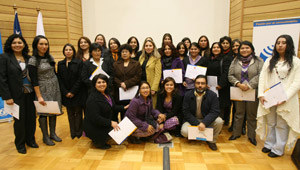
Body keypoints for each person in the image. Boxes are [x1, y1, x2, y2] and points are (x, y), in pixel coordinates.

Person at [257, 35, 300, 157]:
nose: (280, 45)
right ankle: (269, 144)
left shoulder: (296, 62)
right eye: (278, 43)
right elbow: (262, 78)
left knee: (282, 124)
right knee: (270, 122)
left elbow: (297, 82)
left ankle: (278, 148)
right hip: (269, 96)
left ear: (289, 45)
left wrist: (284, 97)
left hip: (286, 99)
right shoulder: (269, 60)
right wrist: (261, 94)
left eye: (283, 43)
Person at [0, 34, 37, 154]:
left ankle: (30, 140)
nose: (17, 45)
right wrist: (7, 96)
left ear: (24, 44)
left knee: (31, 118)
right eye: (14, 43)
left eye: (19, 43)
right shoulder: (5, 58)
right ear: (10, 45)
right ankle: (20, 144)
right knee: (20, 120)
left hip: (30, 93)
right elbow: (2, 78)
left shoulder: (29, 58)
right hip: (15, 95)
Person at [28, 35, 62, 146]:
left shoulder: (50, 57)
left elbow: (54, 72)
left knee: (53, 110)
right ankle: (45, 136)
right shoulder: (33, 60)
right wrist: (39, 96)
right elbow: (33, 80)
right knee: (43, 112)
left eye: (46, 44)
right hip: (42, 88)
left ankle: (53, 133)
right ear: (36, 45)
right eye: (41, 44)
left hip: (54, 87)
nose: (44, 46)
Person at [228, 41, 263, 146]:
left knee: (251, 115)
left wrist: (249, 85)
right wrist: (238, 84)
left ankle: (251, 136)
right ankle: (236, 133)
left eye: (247, 48)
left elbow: (261, 75)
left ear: (251, 49)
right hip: (238, 90)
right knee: (238, 113)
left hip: (252, 90)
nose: (244, 50)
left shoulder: (258, 60)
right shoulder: (235, 61)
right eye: (242, 48)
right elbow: (230, 75)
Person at [83, 74, 127, 149]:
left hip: (101, 123)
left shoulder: (107, 94)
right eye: (99, 82)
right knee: (115, 128)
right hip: (94, 126)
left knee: (118, 127)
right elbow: (95, 118)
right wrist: (110, 123)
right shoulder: (92, 99)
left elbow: (112, 106)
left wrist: (124, 107)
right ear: (94, 84)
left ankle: (101, 139)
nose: (102, 84)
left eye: (103, 82)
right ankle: (98, 141)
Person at [181, 75, 224, 151]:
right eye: (198, 83)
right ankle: (196, 135)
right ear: (194, 84)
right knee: (184, 132)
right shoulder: (188, 95)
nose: (200, 85)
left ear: (206, 85)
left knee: (219, 121)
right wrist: (197, 124)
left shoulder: (213, 95)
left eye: (202, 83)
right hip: (192, 120)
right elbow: (186, 112)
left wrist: (204, 123)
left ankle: (211, 141)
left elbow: (215, 111)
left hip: (206, 120)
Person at [57, 44, 85, 139]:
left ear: (73, 51)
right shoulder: (60, 64)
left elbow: (80, 78)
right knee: (70, 113)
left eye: (70, 50)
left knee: (78, 112)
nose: (68, 51)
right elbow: (59, 79)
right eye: (66, 50)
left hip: (77, 92)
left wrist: (73, 91)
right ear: (64, 52)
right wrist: (65, 92)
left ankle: (79, 131)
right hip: (66, 93)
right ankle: (73, 132)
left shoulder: (79, 62)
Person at [113, 44, 142, 120]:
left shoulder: (136, 64)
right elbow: (113, 77)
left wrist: (127, 84)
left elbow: (138, 77)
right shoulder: (116, 64)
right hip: (119, 93)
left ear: (130, 53)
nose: (124, 54)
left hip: (131, 93)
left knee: (129, 114)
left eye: (126, 52)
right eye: (123, 52)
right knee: (118, 112)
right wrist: (121, 84)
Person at [206, 42, 232, 124]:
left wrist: (221, 84)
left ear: (221, 49)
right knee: (211, 104)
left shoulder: (225, 58)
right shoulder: (209, 59)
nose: (216, 49)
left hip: (221, 87)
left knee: (220, 106)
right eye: (214, 47)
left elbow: (226, 72)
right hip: (210, 86)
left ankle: (219, 124)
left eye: (218, 47)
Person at [139, 39, 162, 107]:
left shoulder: (157, 58)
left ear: (153, 47)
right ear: (144, 47)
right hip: (142, 85)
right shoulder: (141, 57)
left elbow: (158, 75)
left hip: (151, 86)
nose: (148, 47)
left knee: (152, 106)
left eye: (150, 46)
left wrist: (154, 88)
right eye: (146, 46)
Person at [219, 36, 234, 126]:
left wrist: (222, 83)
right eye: (223, 43)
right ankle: (223, 121)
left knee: (227, 103)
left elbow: (226, 72)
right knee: (221, 103)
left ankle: (227, 121)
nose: (224, 45)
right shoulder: (220, 55)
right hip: (219, 83)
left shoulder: (231, 55)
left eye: (226, 43)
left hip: (227, 83)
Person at [228, 38, 242, 133]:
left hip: (245, 86)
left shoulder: (247, 58)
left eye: (237, 45)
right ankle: (234, 125)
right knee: (235, 107)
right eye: (233, 46)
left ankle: (242, 128)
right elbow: (230, 74)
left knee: (242, 108)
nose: (235, 47)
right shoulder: (231, 58)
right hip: (233, 85)